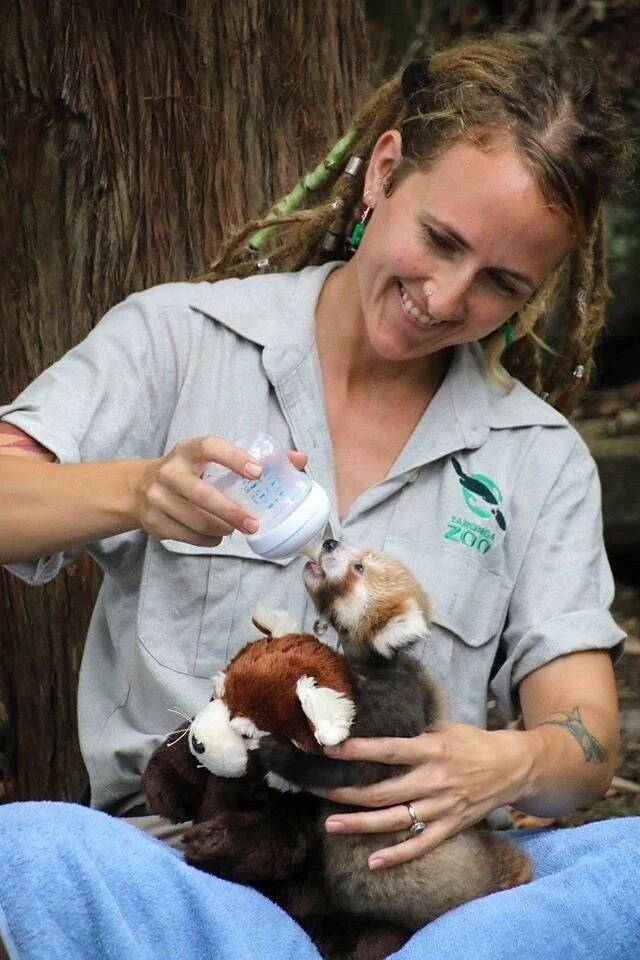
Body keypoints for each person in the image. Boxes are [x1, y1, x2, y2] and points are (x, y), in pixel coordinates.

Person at [0, 29, 638, 960]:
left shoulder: (538, 457)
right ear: (384, 171)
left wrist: (512, 761)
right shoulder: (180, 339)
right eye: (440, 240)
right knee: (29, 850)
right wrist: (138, 490)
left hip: (422, 901)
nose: (444, 299)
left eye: (500, 283)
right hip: (201, 877)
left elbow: (585, 742)